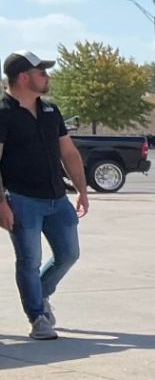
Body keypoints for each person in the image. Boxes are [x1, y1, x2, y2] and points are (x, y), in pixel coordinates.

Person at [0, 51, 87, 340]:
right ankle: (37, 316)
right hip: (22, 199)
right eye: (42, 73)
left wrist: (82, 189)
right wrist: (1, 203)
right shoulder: (3, 112)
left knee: (69, 254)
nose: (47, 77)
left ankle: (41, 292)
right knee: (29, 260)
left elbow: (69, 152)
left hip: (57, 198)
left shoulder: (51, 110)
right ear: (24, 77)